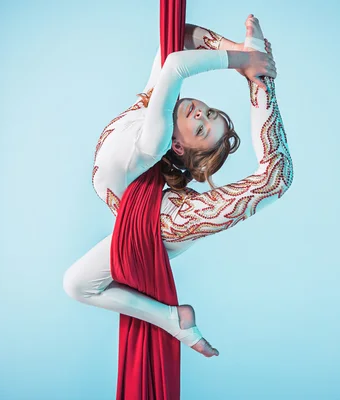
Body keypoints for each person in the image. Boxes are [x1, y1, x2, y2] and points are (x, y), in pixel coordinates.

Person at [63, 15, 292, 358]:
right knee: (76, 284)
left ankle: (262, 81)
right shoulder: (150, 104)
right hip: (140, 214)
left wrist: (250, 65)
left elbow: (175, 66)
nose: (201, 115)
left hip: (167, 221)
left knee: (275, 178)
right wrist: (240, 53)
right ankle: (173, 320)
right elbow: (180, 37)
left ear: (179, 147)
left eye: (201, 129)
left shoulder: (154, 141)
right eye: (209, 113)